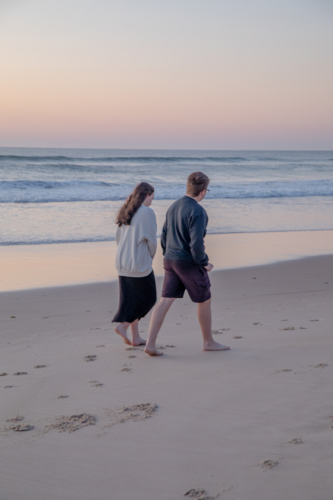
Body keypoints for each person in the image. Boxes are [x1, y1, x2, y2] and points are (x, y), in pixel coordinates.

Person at [144, 171, 230, 356]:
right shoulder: (198, 211)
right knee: (204, 299)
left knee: (165, 300)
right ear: (204, 191)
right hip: (188, 262)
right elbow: (196, 243)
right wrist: (204, 263)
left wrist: (169, 255)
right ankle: (208, 342)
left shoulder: (174, 206)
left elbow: (165, 236)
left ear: (188, 187)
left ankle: (150, 343)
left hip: (170, 259)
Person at [112, 182, 157, 347]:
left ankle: (136, 337)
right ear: (147, 195)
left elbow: (118, 238)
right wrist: (150, 257)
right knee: (148, 298)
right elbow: (151, 241)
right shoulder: (147, 212)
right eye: (152, 196)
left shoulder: (126, 210)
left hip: (122, 261)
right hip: (138, 262)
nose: (152, 200)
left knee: (132, 300)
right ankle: (122, 326)